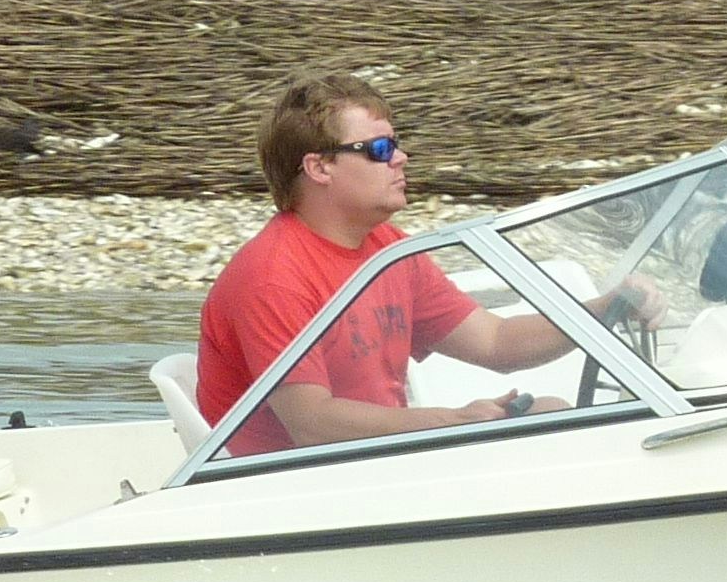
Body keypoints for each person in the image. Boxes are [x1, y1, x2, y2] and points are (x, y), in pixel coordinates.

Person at [198, 74, 654, 456]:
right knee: (551, 427)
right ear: (320, 168)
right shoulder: (273, 277)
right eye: (378, 149)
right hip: (301, 486)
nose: (400, 158)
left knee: (549, 411)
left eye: (395, 144)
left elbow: (497, 343)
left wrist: (603, 310)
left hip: (370, 464)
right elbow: (313, 424)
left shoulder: (386, 248)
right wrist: (454, 421)